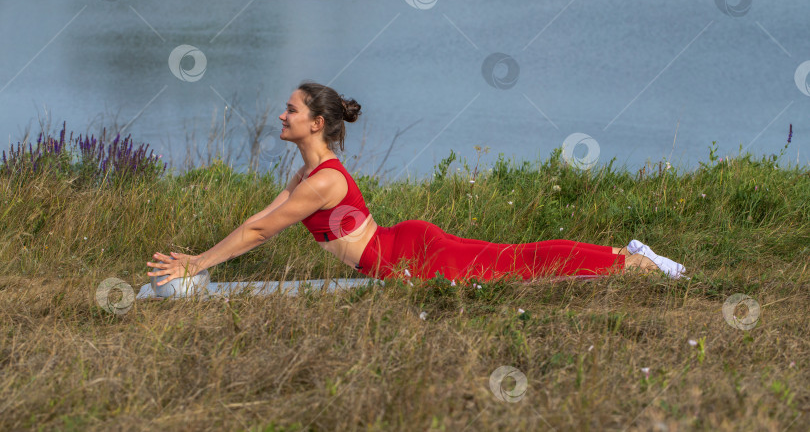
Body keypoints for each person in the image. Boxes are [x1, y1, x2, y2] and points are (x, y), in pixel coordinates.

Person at [147, 82, 686, 288]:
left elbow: (262, 231)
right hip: (404, 247)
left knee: (520, 263)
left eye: (290, 110)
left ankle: (635, 262)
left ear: (315, 122)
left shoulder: (324, 181)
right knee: (514, 258)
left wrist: (195, 264)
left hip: (414, 260)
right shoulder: (311, 172)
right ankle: (629, 254)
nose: (280, 115)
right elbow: (260, 221)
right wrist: (197, 259)